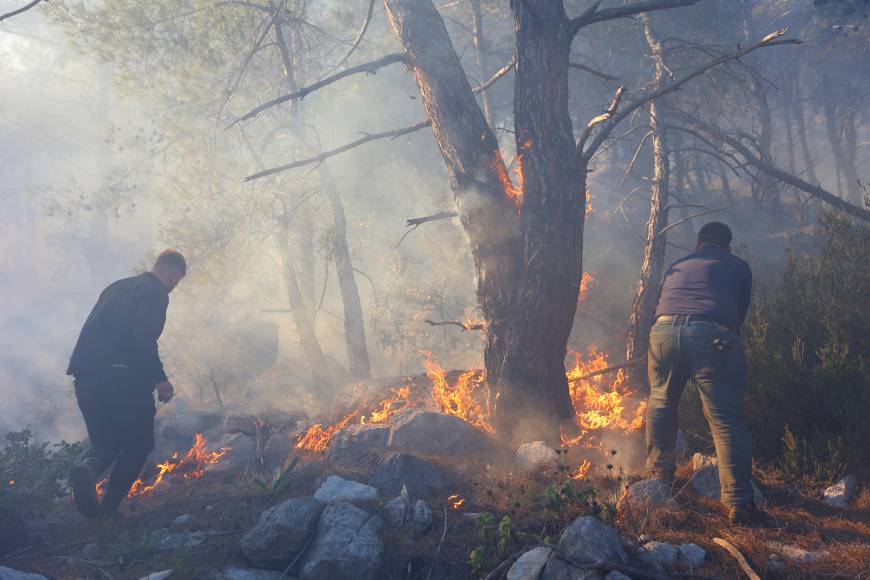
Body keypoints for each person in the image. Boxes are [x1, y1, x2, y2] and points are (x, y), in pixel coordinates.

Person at [645, 222, 768, 526]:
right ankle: (740, 503)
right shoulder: (738, 266)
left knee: (661, 401)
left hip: (663, 331)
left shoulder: (678, 264)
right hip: (712, 335)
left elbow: (660, 304)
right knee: (725, 418)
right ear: (727, 246)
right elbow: (737, 317)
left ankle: (659, 480)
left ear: (698, 244)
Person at [66, 249, 186, 518]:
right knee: (140, 444)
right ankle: (109, 509)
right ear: (170, 273)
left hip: (85, 380)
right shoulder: (155, 292)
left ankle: (88, 469)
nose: (174, 287)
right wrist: (160, 379)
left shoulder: (116, 287)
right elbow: (143, 338)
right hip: (123, 380)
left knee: (106, 442)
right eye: (176, 281)